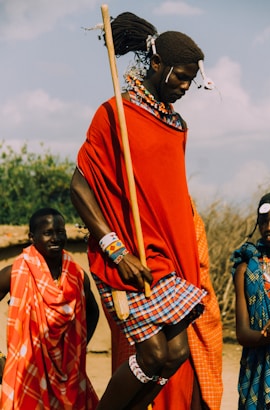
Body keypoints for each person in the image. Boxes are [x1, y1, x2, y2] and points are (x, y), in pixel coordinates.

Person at [70, 11, 212, 410]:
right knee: (151, 355)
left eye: (191, 79)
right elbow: (79, 186)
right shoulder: (114, 114)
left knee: (176, 354)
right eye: (180, 76)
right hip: (122, 253)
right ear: (156, 64)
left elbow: (166, 200)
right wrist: (117, 250)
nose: (186, 86)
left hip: (165, 257)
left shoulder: (177, 125)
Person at [105, 199, 223, 409]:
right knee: (143, 370)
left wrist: (178, 293)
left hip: (186, 315)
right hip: (142, 309)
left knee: (180, 385)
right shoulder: (128, 205)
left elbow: (198, 267)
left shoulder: (186, 209)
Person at [0, 207, 99, 409]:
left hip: (69, 369)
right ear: (31, 237)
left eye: (60, 232)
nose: (56, 238)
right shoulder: (15, 273)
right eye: (48, 233)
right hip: (28, 365)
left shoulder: (77, 276)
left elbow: (93, 311)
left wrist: (78, 349)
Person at [231, 192, 270, 409]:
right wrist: (268, 334)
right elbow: (243, 333)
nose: (268, 227)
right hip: (258, 367)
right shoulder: (246, 271)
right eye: (263, 221)